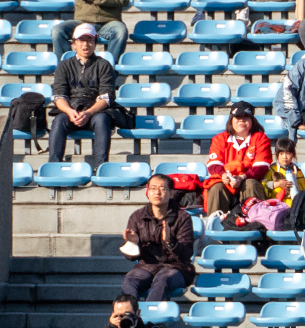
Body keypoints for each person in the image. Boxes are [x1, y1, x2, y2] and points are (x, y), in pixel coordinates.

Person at [49, 24, 118, 170]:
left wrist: (88, 112)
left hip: (95, 111)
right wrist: (70, 111)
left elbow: (106, 96)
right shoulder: (64, 66)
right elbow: (58, 95)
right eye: (81, 40)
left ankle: (102, 167)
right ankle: (53, 167)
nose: (85, 44)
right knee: (59, 120)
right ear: (73, 44)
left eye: (89, 40)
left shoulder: (104, 65)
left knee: (102, 120)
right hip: (71, 109)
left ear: (95, 43)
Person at [121, 173, 195, 303]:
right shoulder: (137, 217)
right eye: (153, 188)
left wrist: (170, 242)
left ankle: (150, 317)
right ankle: (130, 316)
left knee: (163, 277)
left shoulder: (183, 218)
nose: (157, 192)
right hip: (146, 267)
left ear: (171, 193)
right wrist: (133, 244)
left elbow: (186, 254)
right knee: (130, 278)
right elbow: (130, 257)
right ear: (147, 192)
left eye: (162, 188)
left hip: (177, 268)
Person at [204, 103, 272, 217]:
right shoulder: (219, 139)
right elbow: (214, 165)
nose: (241, 120)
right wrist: (224, 175)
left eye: (246, 117)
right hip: (226, 180)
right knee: (217, 187)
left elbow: (261, 167)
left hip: (249, 180)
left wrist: (242, 177)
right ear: (231, 119)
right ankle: (215, 225)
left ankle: (255, 224)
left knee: (250, 184)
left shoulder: (260, 138)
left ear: (252, 120)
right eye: (238, 117)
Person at [51, 0, 132, 66]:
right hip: (82, 22)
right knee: (57, 31)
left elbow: (124, 1)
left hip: (110, 22)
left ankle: (109, 73)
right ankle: (67, 71)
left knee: (120, 31)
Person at [265, 137, 305, 206]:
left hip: (294, 204)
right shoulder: (272, 169)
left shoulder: (297, 171)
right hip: (277, 204)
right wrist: (276, 184)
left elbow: (304, 187)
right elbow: (264, 185)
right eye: (281, 153)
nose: (284, 156)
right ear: (276, 155)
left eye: (288, 153)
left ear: (293, 154)